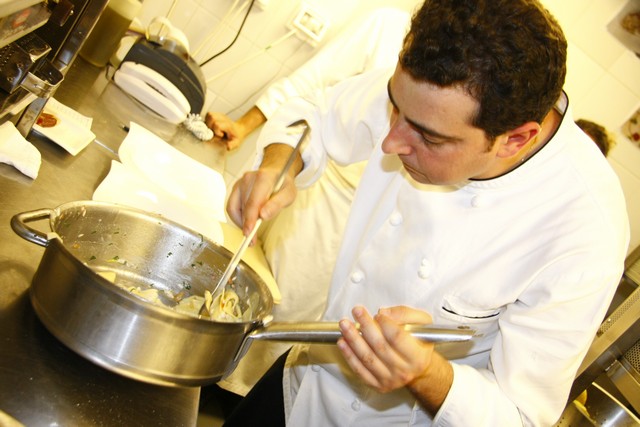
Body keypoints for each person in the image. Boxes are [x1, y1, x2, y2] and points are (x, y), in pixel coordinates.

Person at [223, 0, 630, 425]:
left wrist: (426, 374)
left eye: (429, 139)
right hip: (303, 381)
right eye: (393, 106)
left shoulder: (585, 232)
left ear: (515, 140)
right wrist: (279, 165)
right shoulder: (429, 96)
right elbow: (317, 114)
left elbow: (520, 415)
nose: (390, 142)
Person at [205, 7, 413, 400]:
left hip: (368, 234)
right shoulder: (386, 24)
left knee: (293, 341)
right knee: (262, 302)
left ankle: (237, 400)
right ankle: (210, 377)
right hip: (316, 204)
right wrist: (248, 131)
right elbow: (311, 96)